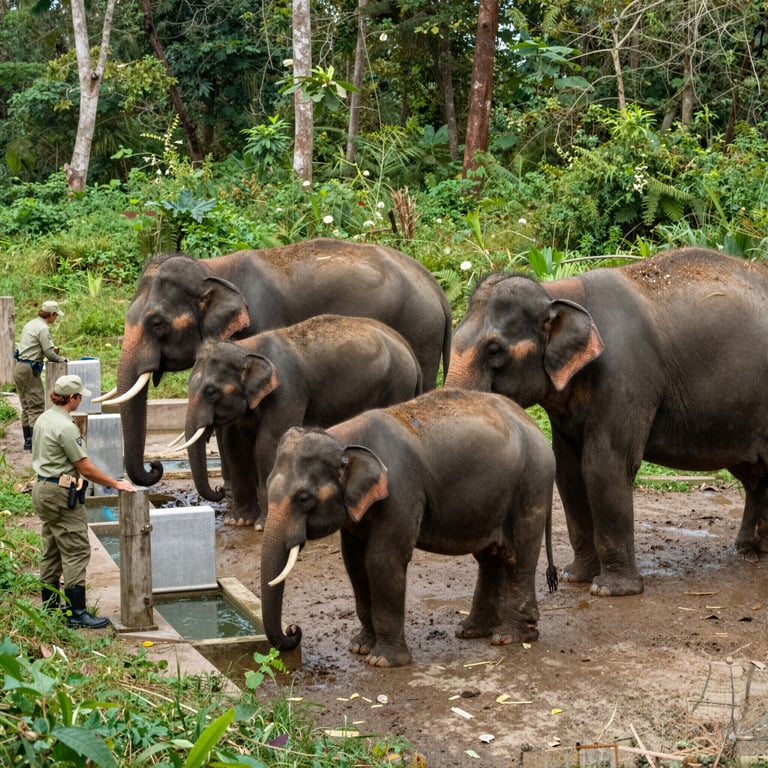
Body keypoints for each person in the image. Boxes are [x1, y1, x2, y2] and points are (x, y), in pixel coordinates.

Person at [32, 374, 136, 629]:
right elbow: (85, 468)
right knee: (77, 549)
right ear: (73, 398)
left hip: (42, 488)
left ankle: (51, 607)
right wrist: (115, 483)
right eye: (80, 397)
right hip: (59, 493)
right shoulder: (67, 427)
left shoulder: (45, 419)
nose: (81, 402)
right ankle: (77, 612)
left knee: (53, 546)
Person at [14, 300, 68, 450]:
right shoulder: (43, 328)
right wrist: (61, 359)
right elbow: (49, 353)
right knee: (36, 406)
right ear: (51, 314)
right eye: (56, 315)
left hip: (19, 367)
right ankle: (37, 443)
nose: (56, 318)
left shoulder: (30, 324)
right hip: (30, 369)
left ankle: (28, 441)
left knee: (26, 406)